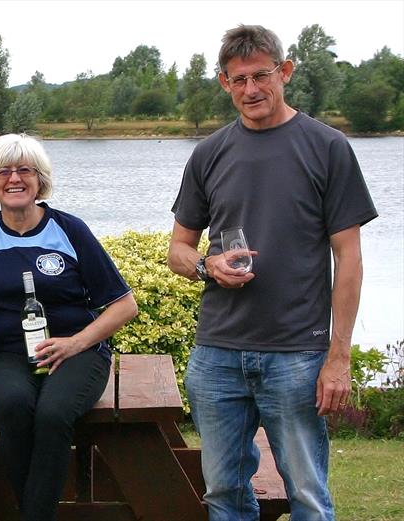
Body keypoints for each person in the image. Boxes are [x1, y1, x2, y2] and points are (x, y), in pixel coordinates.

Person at [167, 25, 377, 521]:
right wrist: (205, 266)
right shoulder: (208, 154)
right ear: (224, 83)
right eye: (238, 81)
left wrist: (338, 354)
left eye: (261, 76)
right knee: (222, 494)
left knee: (307, 495)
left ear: (284, 72)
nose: (251, 90)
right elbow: (178, 248)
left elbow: (348, 257)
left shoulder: (327, 147)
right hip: (216, 354)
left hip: (298, 355)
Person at [0, 133, 137, 521]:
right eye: (2, 171)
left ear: (39, 179)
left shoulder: (69, 230)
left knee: (52, 413)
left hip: (79, 353)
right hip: (8, 354)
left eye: (24, 170)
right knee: (11, 406)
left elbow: (124, 307)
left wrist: (74, 343)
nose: (14, 179)